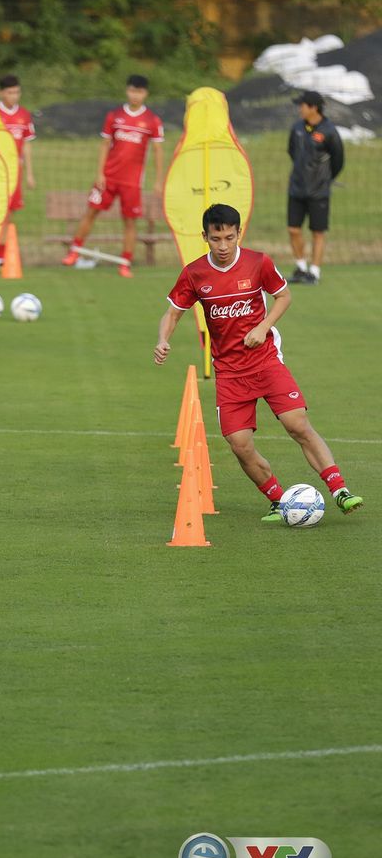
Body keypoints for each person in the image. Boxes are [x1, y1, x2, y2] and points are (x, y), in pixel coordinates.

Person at [154, 203, 363, 522]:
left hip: (265, 361)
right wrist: (163, 340)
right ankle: (280, 501)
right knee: (239, 444)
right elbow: (172, 312)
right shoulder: (195, 273)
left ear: (239, 234)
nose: (223, 246)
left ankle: (339, 490)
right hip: (229, 372)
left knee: (297, 424)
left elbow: (284, 296)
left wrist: (263, 326)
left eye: (229, 238)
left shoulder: (258, 263)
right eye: (215, 239)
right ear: (205, 237)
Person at [62, 74, 164, 279]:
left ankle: (125, 262)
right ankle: (74, 251)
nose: (135, 95)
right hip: (108, 178)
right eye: (132, 91)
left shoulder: (151, 121)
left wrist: (158, 180)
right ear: (127, 91)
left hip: (132, 182)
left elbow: (158, 151)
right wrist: (100, 172)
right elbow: (104, 145)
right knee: (91, 212)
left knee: (130, 221)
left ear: (146, 94)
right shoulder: (114, 116)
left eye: (140, 92)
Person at [286, 90, 344, 285]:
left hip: (319, 191)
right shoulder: (297, 128)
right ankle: (301, 267)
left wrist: (325, 179)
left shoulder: (329, 131)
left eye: (302, 105)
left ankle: (315, 272)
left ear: (313, 107)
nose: (299, 109)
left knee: (317, 231)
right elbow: (293, 152)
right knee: (293, 229)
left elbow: (338, 160)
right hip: (296, 189)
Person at [0, 74, 36, 265]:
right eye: (10, 92)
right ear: (1, 93)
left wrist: (29, 174)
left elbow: (27, 145)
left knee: (8, 214)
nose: (14, 96)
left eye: (17, 92)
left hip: (15, 172)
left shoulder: (24, 115)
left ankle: (0, 256)